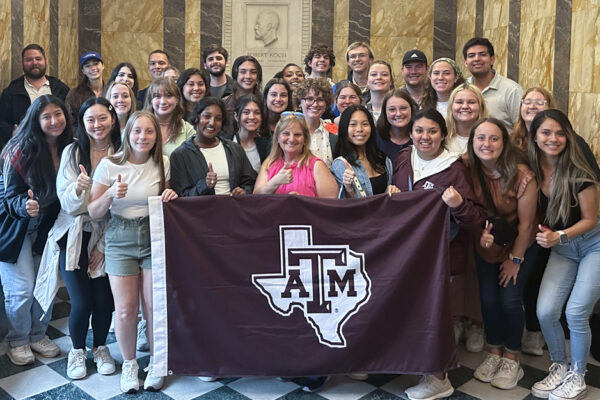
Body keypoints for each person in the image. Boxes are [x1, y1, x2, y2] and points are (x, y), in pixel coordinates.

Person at [392, 108, 486, 400]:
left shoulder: (454, 168)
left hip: (442, 256)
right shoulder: (403, 159)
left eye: (432, 131)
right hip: (408, 255)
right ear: (411, 134)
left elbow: (475, 219)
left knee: (437, 316)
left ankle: (439, 379)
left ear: (443, 134)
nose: (425, 137)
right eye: (419, 130)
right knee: (414, 314)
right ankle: (422, 366)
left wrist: (457, 204)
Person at [88, 111, 177, 393]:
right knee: (126, 310)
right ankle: (129, 364)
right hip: (120, 235)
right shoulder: (109, 165)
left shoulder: (162, 162)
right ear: (127, 134)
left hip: (153, 234)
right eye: (137, 131)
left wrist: (170, 197)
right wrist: (111, 193)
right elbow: (93, 210)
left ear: (156, 136)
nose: (143, 137)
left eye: (149, 132)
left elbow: (164, 199)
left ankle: (156, 361)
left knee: (153, 305)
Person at [40, 97, 122, 379]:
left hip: (108, 234)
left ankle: (100, 348)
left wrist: (102, 244)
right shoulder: (72, 152)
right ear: (82, 123)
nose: (97, 125)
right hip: (72, 234)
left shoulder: (121, 153)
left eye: (102, 118)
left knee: (104, 301)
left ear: (112, 119)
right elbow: (69, 204)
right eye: (90, 120)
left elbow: (122, 206)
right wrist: (78, 188)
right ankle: (77, 352)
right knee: (82, 300)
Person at [527, 109, 600, 400]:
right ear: (534, 136)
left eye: (559, 133)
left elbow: (591, 219)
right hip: (564, 249)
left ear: (568, 136)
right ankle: (559, 365)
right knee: (545, 311)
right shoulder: (532, 167)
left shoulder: (579, 172)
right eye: (546, 132)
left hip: (593, 244)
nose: (553, 139)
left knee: (576, 312)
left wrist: (559, 236)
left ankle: (578, 375)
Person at [466, 118, 538, 390]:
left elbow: (527, 225)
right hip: (487, 244)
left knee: (509, 298)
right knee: (488, 298)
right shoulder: (468, 167)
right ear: (472, 143)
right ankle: (494, 351)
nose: (486, 144)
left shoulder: (521, 175)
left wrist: (515, 260)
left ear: (504, 143)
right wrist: (479, 234)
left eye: (494, 138)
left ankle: (512, 357)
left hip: (520, 243)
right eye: (480, 138)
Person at [0, 95, 72, 366]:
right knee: (21, 289)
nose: (54, 121)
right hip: (14, 226)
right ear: (36, 119)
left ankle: (37, 334)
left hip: (47, 227)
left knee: (45, 285)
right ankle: (18, 340)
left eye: (58, 114)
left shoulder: (70, 148)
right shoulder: (18, 149)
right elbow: (8, 196)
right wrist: (24, 205)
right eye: (46, 116)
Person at [170, 97, 256, 197]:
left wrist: (243, 191)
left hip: (234, 209)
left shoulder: (235, 149)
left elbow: (249, 182)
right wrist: (204, 185)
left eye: (218, 119)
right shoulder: (180, 155)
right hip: (200, 211)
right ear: (197, 118)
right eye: (207, 116)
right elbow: (180, 196)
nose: (212, 123)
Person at [254, 112, 338, 198]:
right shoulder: (269, 163)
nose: (291, 139)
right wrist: (275, 182)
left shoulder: (317, 166)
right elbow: (255, 200)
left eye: (297, 135)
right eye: (286, 133)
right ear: (277, 138)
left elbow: (331, 206)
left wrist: (302, 202)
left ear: (305, 140)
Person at [0, 44, 69, 148]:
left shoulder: (61, 88)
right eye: (29, 60)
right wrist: (12, 132)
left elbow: (71, 117)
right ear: (22, 63)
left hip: (57, 146)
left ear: (45, 61)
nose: (34, 63)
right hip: (24, 148)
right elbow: (2, 121)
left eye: (38, 59)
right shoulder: (11, 92)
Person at [331, 105, 397, 198]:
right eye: (353, 124)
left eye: (365, 124)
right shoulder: (341, 164)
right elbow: (345, 206)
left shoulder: (383, 158)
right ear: (344, 128)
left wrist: (392, 190)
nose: (359, 129)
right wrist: (348, 188)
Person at [463, 37, 523, 131]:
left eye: (482, 54)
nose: (477, 59)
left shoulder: (512, 90)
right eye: (471, 55)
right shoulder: (461, 88)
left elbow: (521, 129)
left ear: (492, 59)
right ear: (465, 62)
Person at [144, 77, 195, 156]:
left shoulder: (187, 130)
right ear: (151, 100)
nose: (163, 102)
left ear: (177, 100)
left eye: (168, 96)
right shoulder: (139, 126)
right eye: (157, 96)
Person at [293, 79, 338, 167]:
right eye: (309, 99)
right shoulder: (290, 130)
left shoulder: (333, 130)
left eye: (320, 99)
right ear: (299, 102)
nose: (315, 104)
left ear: (326, 104)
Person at [222, 56, 263, 139]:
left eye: (253, 72)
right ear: (235, 75)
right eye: (243, 72)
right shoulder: (224, 104)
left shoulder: (264, 102)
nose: (248, 76)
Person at [65, 52, 106, 135]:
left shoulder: (112, 91)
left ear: (103, 66)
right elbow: (70, 121)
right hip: (83, 141)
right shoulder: (74, 94)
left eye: (96, 64)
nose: (93, 68)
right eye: (88, 66)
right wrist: (82, 138)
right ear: (83, 70)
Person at [446, 83, 488, 154]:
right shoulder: (441, 135)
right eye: (459, 102)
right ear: (451, 106)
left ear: (481, 107)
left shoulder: (490, 137)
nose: (465, 106)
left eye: (471, 102)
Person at [511, 87, 556, 153]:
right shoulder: (512, 140)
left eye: (539, 103)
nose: (532, 107)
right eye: (527, 102)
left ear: (550, 107)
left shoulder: (561, 138)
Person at [375, 89, 415, 160]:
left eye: (403, 108)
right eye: (392, 109)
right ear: (385, 112)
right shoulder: (375, 138)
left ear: (411, 109)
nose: (398, 114)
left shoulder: (420, 137)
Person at [234, 94, 271, 172]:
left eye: (257, 113)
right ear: (236, 116)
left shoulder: (267, 145)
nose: (252, 117)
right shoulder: (227, 142)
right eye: (246, 112)